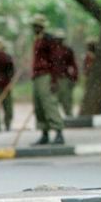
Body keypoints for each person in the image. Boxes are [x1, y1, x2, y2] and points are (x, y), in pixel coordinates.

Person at [30, 14, 65, 145]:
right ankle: (44, 133)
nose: (34, 28)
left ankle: (59, 132)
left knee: (49, 103)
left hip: (46, 75)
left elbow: (55, 60)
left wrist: (54, 79)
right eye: (33, 26)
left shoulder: (48, 39)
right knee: (38, 105)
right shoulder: (36, 39)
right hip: (37, 76)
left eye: (37, 25)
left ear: (42, 26)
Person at [53, 30, 78, 117]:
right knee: (53, 101)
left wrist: (74, 77)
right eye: (57, 39)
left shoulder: (67, 50)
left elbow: (73, 65)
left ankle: (69, 117)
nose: (58, 41)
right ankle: (55, 120)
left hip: (64, 78)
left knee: (66, 100)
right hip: (53, 78)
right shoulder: (51, 50)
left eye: (60, 39)